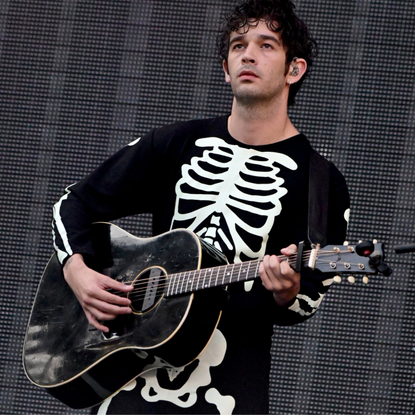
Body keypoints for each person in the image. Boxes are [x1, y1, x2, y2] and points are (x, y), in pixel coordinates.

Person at [52, 0, 350, 413]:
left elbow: (308, 299)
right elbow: (74, 202)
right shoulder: (175, 144)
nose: (248, 53)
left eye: (267, 45)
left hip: (228, 390)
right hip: (130, 376)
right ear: (226, 69)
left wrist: (288, 290)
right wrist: (78, 272)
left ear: (293, 70)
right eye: (238, 45)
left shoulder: (322, 182)